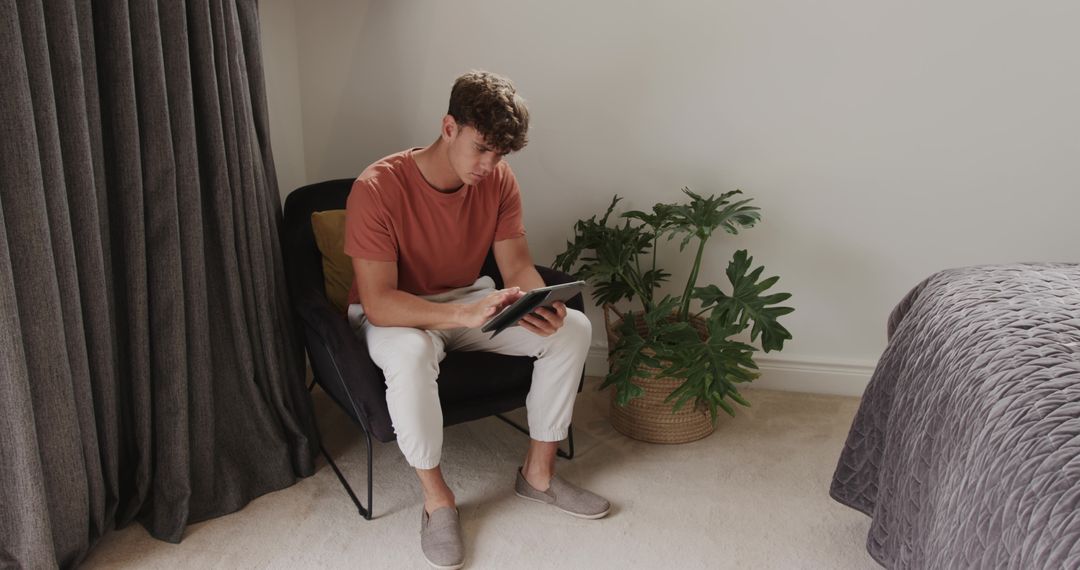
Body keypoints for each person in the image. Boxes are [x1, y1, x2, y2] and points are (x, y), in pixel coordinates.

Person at [344, 71, 609, 569]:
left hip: (470, 301)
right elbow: (379, 302)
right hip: (399, 313)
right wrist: (461, 313)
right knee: (412, 352)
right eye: (482, 148)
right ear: (449, 127)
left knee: (573, 329)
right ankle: (437, 500)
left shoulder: (498, 180)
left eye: (501, 155)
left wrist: (539, 302)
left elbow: (516, 268)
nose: (490, 165)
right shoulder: (376, 187)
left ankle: (539, 476)